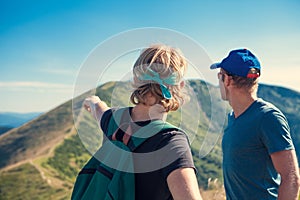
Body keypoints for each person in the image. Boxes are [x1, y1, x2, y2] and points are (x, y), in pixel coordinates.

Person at [83, 44, 202, 200]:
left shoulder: (112, 120)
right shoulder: (172, 143)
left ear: (135, 80)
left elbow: (98, 108)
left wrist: (92, 101)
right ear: (179, 86)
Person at [210, 48, 300, 199]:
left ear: (227, 80)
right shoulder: (233, 117)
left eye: (220, 76)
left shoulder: (268, 117)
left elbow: (291, 177)